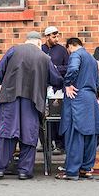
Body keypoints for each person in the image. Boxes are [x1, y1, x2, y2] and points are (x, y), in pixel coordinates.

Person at [0, 31, 63, 180]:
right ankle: (24, 171)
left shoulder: (13, 50)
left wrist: (8, 84)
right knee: (29, 134)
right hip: (33, 100)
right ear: (38, 42)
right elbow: (56, 79)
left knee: (6, 133)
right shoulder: (44, 57)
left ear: (27, 41)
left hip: (10, 98)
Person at [55, 37, 99, 180]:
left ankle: (71, 171)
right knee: (90, 134)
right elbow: (97, 81)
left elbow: (73, 68)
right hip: (90, 98)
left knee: (75, 134)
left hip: (77, 97)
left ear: (70, 46)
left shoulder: (76, 54)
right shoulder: (90, 57)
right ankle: (86, 169)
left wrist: (68, 83)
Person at [41, 26, 69, 155]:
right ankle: (46, 143)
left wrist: (55, 68)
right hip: (42, 87)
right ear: (46, 37)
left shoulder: (62, 50)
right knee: (43, 116)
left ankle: (60, 144)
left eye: (57, 36)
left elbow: (68, 67)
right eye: (53, 37)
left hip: (57, 88)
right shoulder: (40, 49)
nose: (56, 39)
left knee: (56, 115)